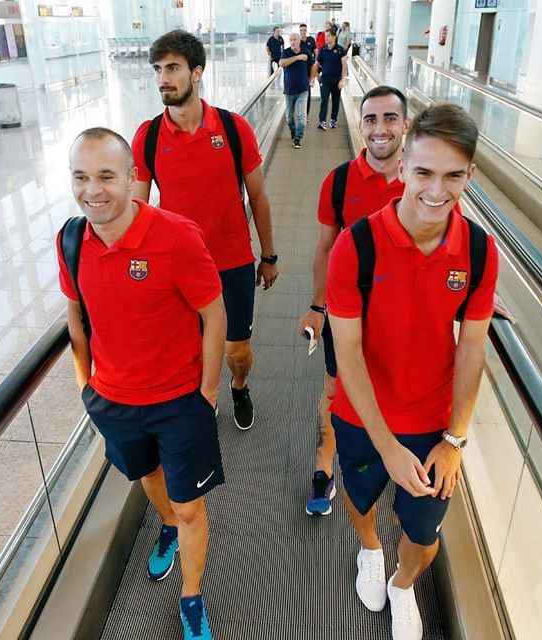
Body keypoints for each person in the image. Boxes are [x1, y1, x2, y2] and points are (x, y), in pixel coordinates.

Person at [326, 104, 499, 639]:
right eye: (424, 172)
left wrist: (455, 439)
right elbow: (348, 352)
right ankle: (370, 551)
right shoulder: (356, 245)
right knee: (360, 500)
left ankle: (403, 585)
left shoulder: (478, 250)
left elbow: (472, 348)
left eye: (453, 176)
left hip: (432, 420)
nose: (436, 190)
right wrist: (386, 445)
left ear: (470, 175)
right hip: (362, 414)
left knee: (424, 536)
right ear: (403, 167)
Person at [58, 127, 226, 640]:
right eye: (81, 177)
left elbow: (214, 313)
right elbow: (75, 315)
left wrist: (208, 393)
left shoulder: (176, 237)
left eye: (106, 176)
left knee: (190, 505)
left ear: (132, 178)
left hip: (179, 402)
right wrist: (86, 385)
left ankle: (191, 595)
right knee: (148, 475)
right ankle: (167, 526)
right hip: (113, 402)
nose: (93, 191)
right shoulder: (71, 240)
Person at [131, 30, 279, 431]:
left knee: (237, 351)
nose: (163, 78)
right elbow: (138, 211)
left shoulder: (232, 128)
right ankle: (202, 401)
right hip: (179, 269)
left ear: (197, 72)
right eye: (158, 69)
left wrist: (268, 255)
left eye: (172, 68)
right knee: (190, 350)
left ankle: (239, 385)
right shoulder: (148, 137)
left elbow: (258, 196)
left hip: (231, 262)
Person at [299, 85, 413, 516]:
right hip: (347, 313)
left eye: (390, 118)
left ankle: (394, 461)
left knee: (397, 389)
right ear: (361, 125)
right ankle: (323, 469)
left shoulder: (422, 181)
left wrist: (480, 288)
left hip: (403, 316)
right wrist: (317, 306)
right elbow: (326, 247)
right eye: (370, 119)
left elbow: (449, 241)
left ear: (406, 125)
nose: (380, 128)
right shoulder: (340, 180)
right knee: (334, 389)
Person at [280, 32, 315, 149]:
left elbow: (312, 66)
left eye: (295, 39)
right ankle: (293, 131)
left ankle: (297, 138)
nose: (293, 42)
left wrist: (311, 79)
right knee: (289, 117)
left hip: (303, 89)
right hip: (289, 90)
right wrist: (297, 58)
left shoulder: (306, 52)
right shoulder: (286, 52)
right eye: (291, 40)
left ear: (299, 40)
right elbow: (281, 63)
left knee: (302, 117)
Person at [316, 27, 347, 130]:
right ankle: (322, 121)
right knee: (324, 99)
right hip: (325, 79)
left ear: (334, 37)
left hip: (337, 79)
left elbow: (344, 65)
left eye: (328, 36)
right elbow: (317, 63)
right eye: (325, 36)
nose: (326, 38)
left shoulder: (340, 50)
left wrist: (342, 79)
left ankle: (333, 119)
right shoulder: (322, 49)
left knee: (335, 100)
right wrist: (317, 76)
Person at [299, 24, 317, 119]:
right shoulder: (297, 41)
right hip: (300, 70)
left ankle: (306, 114)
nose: (303, 32)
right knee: (300, 92)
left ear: (306, 31)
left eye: (304, 30)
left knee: (308, 92)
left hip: (309, 69)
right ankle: (300, 113)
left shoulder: (311, 40)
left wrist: (316, 62)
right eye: (301, 30)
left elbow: (316, 51)